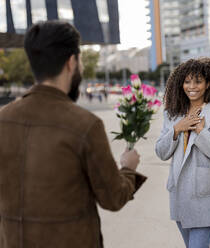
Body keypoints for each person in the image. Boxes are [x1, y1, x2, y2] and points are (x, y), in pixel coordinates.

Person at [0, 21, 147, 247]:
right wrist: (128, 169)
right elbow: (113, 198)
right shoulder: (85, 125)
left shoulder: (3, 119)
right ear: (71, 62)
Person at [155, 58, 210, 248]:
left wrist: (200, 131)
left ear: (207, 84)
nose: (192, 86)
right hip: (180, 195)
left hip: (205, 197)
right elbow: (161, 152)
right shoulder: (172, 115)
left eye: (198, 81)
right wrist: (176, 129)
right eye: (187, 81)